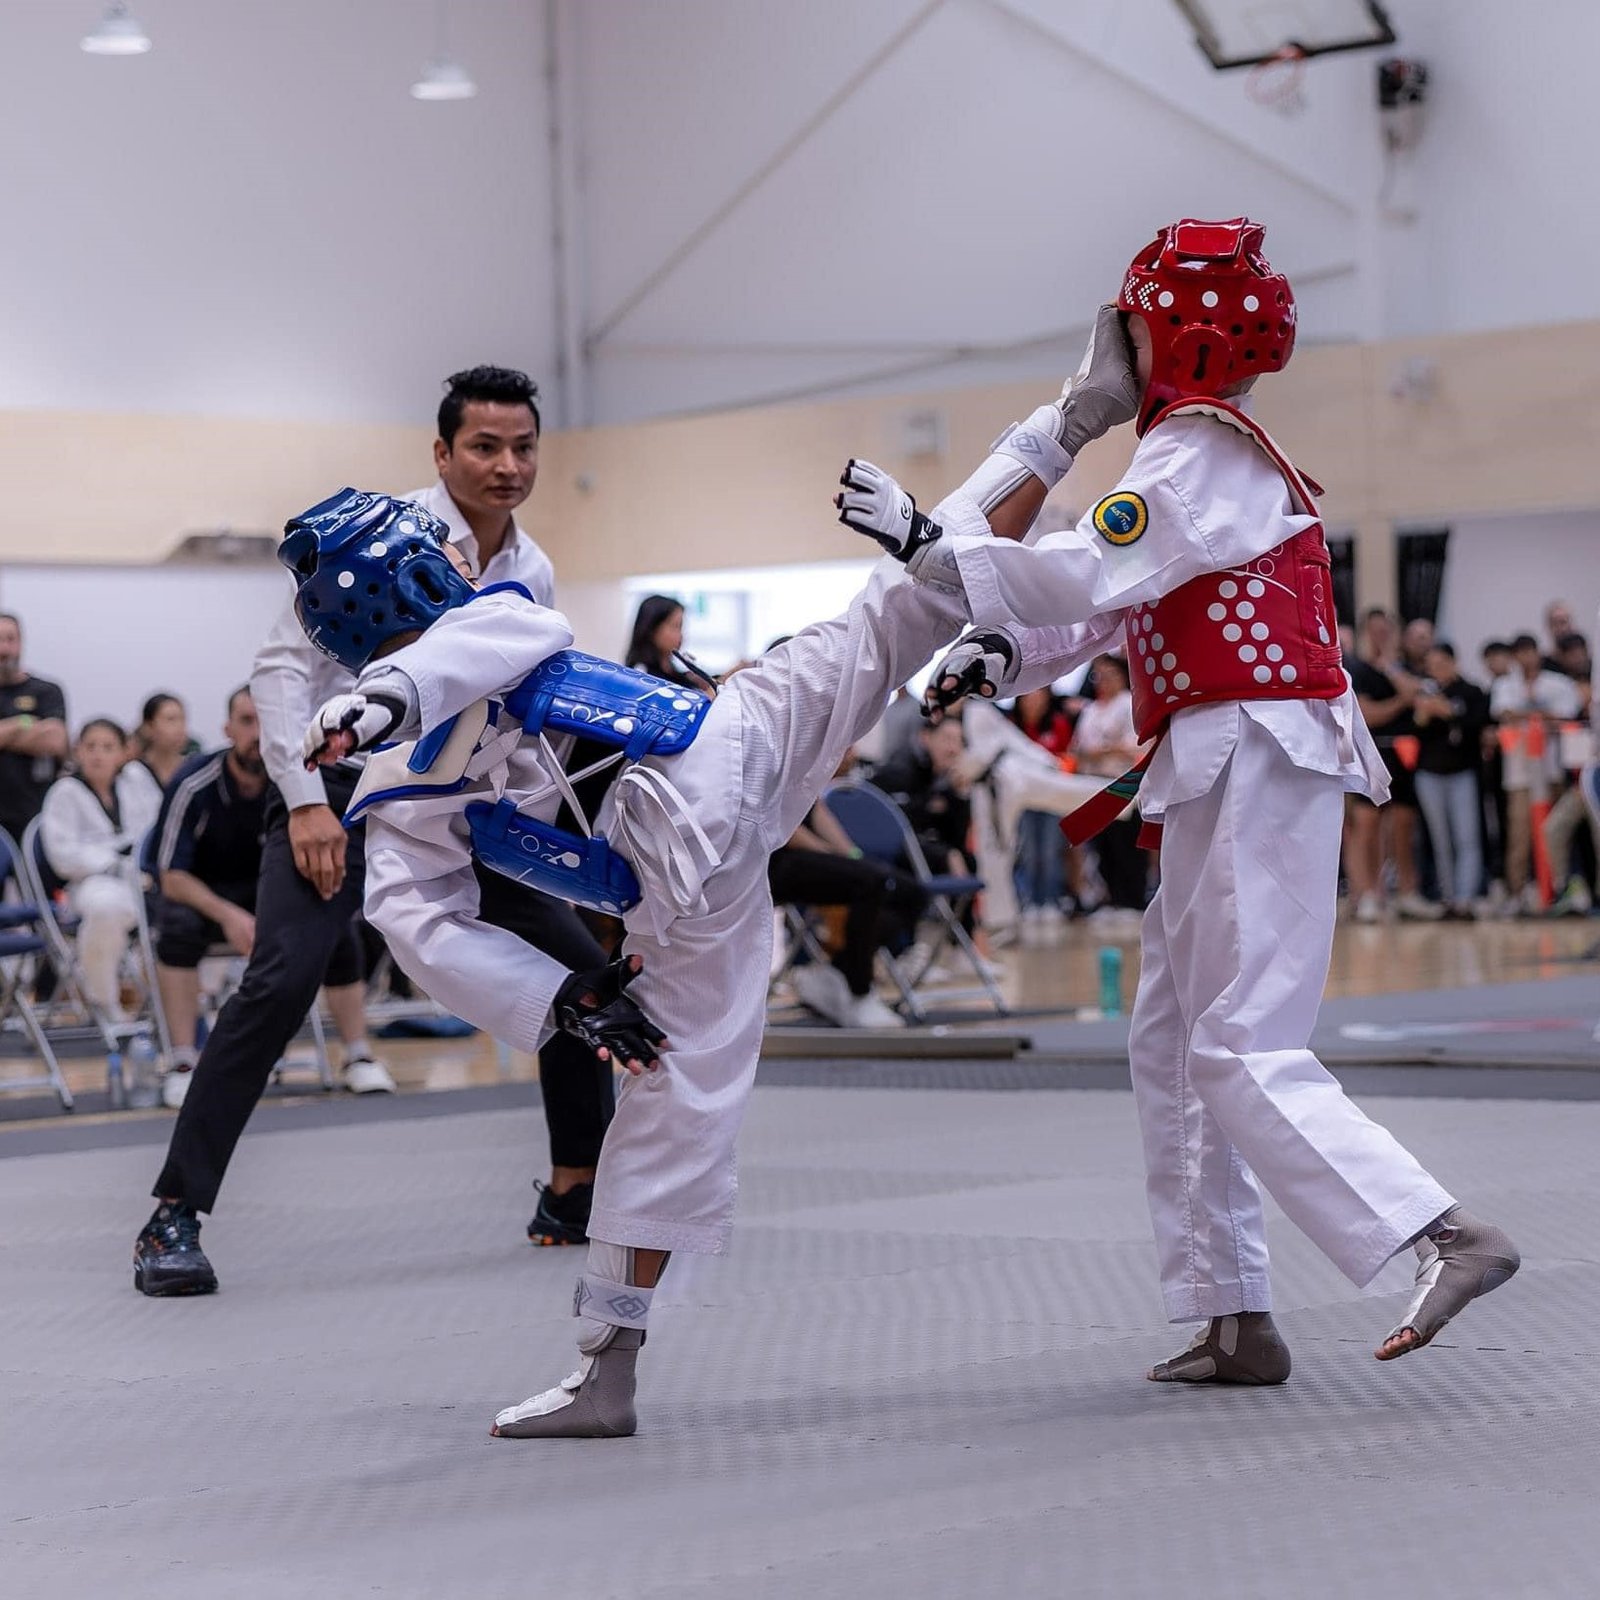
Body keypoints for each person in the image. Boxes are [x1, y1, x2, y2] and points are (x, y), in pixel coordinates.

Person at [285, 312, 1138, 1437]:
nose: (449, 546)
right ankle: (607, 1367)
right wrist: (565, 995)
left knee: (904, 598)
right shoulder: (401, 766)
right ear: (393, 585)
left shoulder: (487, 623)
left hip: (720, 756)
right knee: (672, 1097)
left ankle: (1078, 411)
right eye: (422, 548)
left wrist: (386, 699)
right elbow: (416, 918)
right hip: (688, 846)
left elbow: (473, 663)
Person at [850, 219, 1520, 1382]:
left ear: (1156, 331)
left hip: (1256, 749)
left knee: (1239, 1040)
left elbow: (1085, 569)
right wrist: (999, 660)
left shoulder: (1201, 452)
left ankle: (1443, 1231)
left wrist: (935, 547)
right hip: (1218, 757)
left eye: (1129, 327)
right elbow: (1111, 607)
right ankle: (1231, 1309)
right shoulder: (1187, 454)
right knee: (1171, 1043)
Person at [130, 365, 610, 1298]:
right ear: (442, 452)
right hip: (335, 783)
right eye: (485, 446)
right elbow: (280, 670)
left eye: (523, 447)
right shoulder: (374, 532)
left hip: (456, 803)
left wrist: (528, 831)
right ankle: (172, 1217)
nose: (508, 465)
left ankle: (572, 1191)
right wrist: (305, 798)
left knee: (580, 973)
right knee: (282, 978)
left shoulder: (532, 566)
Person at [148, 687, 353, 1110]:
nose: (257, 733)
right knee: (175, 927)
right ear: (227, 728)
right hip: (207, 899)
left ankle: (358, 1054)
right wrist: (229, 916)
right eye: (246, 721)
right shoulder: (193, 783)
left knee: (339, 920)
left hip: (273, 894)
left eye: (265, 722)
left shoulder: (302, 781)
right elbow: (170, 876)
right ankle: (184, 1061)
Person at [39, 719, 162, 1019]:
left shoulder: (135, 782)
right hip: (89, 884)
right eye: (90, 746)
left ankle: (202, 999)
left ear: (123, 753)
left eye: (108, 747)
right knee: (106, 908)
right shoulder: (64, 792)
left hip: (142, 879)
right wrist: (112, 864)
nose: (98, 755)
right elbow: (62, 856)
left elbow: (158, 830)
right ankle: (104, 1001)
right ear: (77, 751)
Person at [767, 796, 922, 1029]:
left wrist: (851, 855)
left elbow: (816, 811)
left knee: (909, 891)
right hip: (775, 858)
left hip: (809, 852)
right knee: (868, 883)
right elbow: (780, 822)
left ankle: (837, 971)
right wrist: (827, 854)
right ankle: (859, 989)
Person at [1491, 634, 1582, 913]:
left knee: (1555, 833)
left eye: (1530, 651)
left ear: (1538, 653)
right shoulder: (1506, 685)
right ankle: (1517, 893)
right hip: (1519, 774)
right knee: (1519, 835)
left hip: (1551, 771)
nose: (1526, 658)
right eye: (1520, 653)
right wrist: (1540, 714)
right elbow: (1503, 713)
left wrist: (1530, 714)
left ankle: (1560, 887)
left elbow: (1567, 714)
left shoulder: (1557, 683)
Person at [1412, 643, 1490, 917]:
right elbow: (1416, 728)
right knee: (1440, 837)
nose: (1437, 670)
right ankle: (1447, 896)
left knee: (1466, 836)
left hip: (1462, 772)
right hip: (1430, 774)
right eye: (1431, 666)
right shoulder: (1425, 691)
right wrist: (1424, 713)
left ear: (1453, 662)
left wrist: (1449, 711)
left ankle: (1465, 898)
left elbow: (1475, 724)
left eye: (1441, 663)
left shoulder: (1470, 691)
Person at [1068, 654, 1149, 913]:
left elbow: (1135, 746)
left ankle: (1132, 901)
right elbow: (1077, 748)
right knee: (1103, 846)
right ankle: (1112, 900)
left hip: (1124, 782)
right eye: (1097, 676)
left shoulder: (1128, 704)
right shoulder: (1090, 710)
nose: (1103, 681)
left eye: (1109, 675)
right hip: (1094, 783)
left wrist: (1102, 751)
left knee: (1128, 845)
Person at [0, 613, 70, 847]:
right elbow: (42, 732)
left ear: (21, 643)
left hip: (35, 815)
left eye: (10, 639)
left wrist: (7, 732)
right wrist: (24, 722)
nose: (4, 648)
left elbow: (55, 740)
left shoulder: (46, 691)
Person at [624, 595, 700, 689]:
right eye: (675, 626)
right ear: (651, 629)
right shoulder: (640, 675)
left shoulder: (680, 676)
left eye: (681, 627)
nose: (680, 635)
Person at [131, 693, 197, 789]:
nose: (180, 727)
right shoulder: (133, 774)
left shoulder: (194, 771)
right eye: (171, 720)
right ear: (148, 727)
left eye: (182, 719)